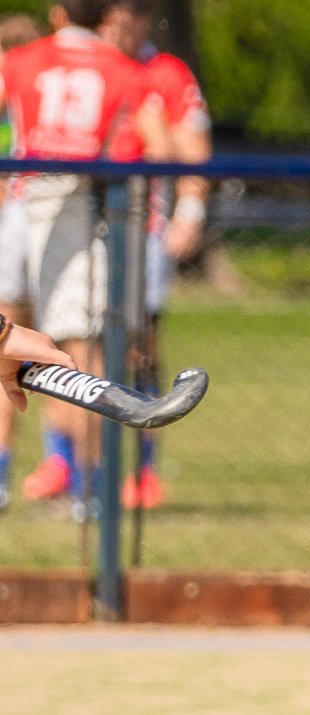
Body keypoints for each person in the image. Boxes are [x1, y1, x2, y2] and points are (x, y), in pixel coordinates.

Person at [3, 0, 169, 520]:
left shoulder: (20, 59)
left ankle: (7, 477)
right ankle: (92, 489)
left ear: (56, 13)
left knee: (10, 340)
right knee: (77, 347)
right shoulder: (125, 69)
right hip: (81, 210)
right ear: (104, 18)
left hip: (21, 204)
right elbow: (161, 149)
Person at [103, 0, 210, 511]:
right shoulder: (85, 65)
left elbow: (190, 148)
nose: (121, 29)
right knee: (70, 344)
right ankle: (70, 464)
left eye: (131, 18)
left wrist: (190, 209)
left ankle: (143, 469)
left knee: (139, 343)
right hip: (74, 224)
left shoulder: (164, 73)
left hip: (141, 225)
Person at [0, 12, 48, 512]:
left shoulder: (19, 75)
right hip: (55, 218)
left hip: (21, 216)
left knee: (8, 350)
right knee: (66, 345)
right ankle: (73, 475)